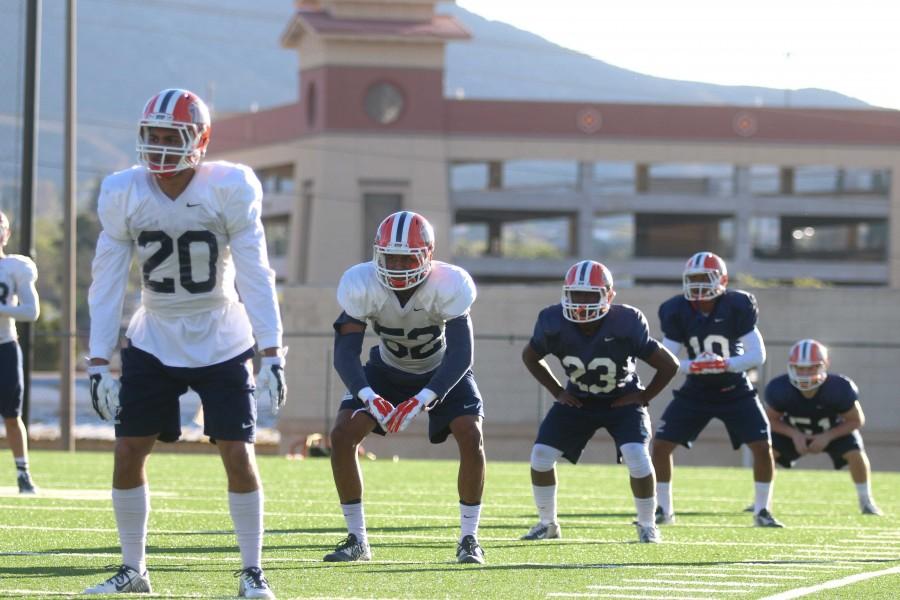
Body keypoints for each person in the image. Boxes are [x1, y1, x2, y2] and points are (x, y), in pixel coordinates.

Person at [84, 89, 285, 598]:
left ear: (200, 140)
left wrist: (271, 350)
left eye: (170, 136)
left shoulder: (229, 186)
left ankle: (251, 570)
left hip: (221, 333)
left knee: (238, 453)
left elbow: (257, 273)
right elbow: (106, 280)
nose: (159, 147)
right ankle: (134, 570)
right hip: (154, 333)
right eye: (151, 135)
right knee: (128, 450)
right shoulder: (124, 191)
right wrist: (97, 359)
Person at [327, 210, 486, 564]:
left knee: (470, 433)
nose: (397, 266)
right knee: (341, 435)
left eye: (406, 257)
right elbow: (345, 355)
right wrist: (368, 395)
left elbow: (461, 355)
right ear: (377, 253)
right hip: (387, 370)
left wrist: (425, 398)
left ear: (427, 255)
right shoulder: (361, 282)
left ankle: (469, 538)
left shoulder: (449, 283)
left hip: (441, 370)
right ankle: (357, 539)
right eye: (390, 257)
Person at [520, 260, 678, 543]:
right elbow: (530, 357)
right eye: (575, 294)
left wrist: (643, 397)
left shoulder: (626, 322)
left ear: (608, 295)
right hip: (578, 400)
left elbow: (669, 364)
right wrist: (558, 392)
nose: (581, 302)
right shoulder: (552, 321)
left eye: (589, 295)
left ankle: (647, 524)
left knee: (638, 458)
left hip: (621, 400)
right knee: (541, 457)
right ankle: (548, 524)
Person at [652, 251, 783, 528]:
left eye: (704, 278)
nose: (698, 285)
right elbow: (668, 360)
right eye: (693, 279)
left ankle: (762, 510)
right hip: (696, 390)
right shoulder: (676, 310)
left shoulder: (737, 305)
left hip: (734, 387)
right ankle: (664, 509)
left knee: (762, 446)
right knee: (661, 445)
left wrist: (725, 364)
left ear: (721, 279)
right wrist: (694, 366)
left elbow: (757, 355)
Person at [764, 339, 882, 516]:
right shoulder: (780, 388)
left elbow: (856, 420)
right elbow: (769, 420)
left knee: (856, 453)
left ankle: (866, 501)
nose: (805, 373)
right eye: (800, 368)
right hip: (794, 431)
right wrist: (794, 434)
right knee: (766, 453)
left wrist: (827, 436)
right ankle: (762, 502)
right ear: (791, 367)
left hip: (832, 432)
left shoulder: (839, 388)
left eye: (811, 367)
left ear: (824, 365)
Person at [0, 210, 40, 494]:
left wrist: (1, 310)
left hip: (4, 346)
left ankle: (23, 473)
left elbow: (31, 311)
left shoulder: (15, 267)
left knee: (12, 416)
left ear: (7, 233)